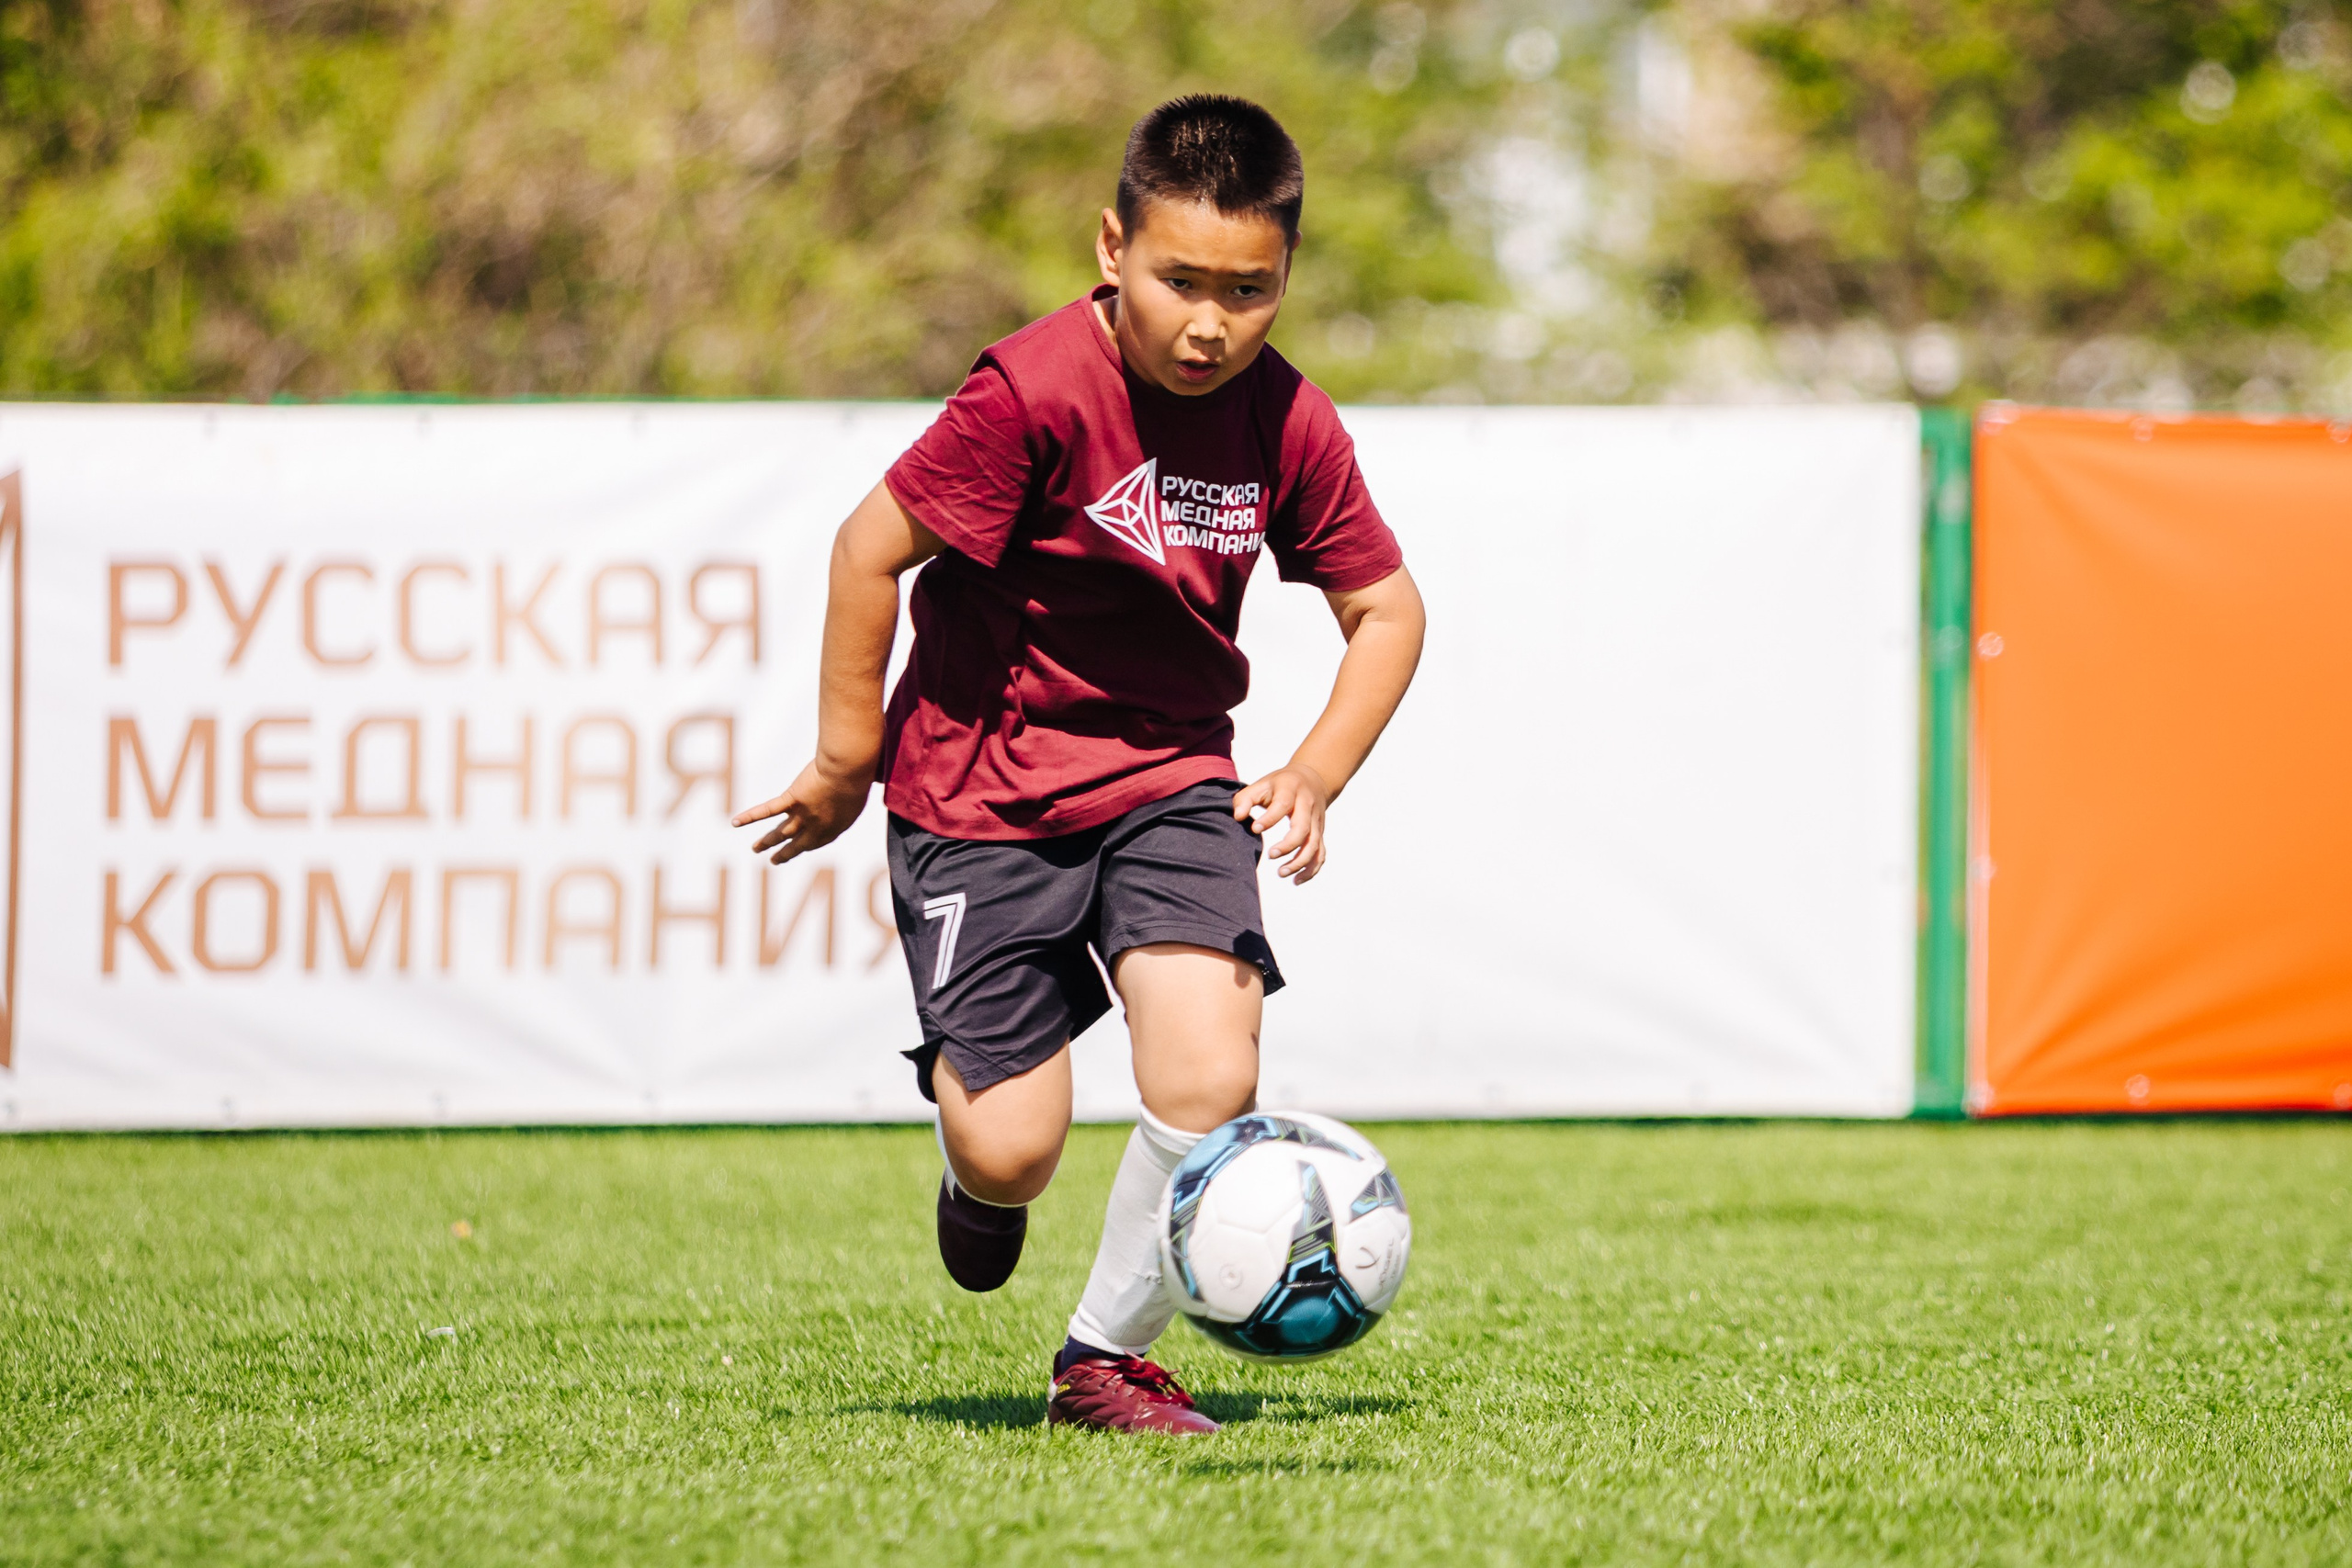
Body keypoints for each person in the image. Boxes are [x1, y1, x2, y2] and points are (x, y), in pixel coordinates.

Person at [733, 95, 1425, 1435]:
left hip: (1172, 784)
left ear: (1288, 279)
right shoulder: (1031, 392)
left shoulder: (1287, 423)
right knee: (1013, 1147)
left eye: (1249, 290)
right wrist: (841, 761)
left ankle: (1101, 1359)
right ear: (1113, 248)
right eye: (1179, 282)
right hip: (979, 803)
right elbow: (867, 550)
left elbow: (1389, 611)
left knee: (1212, 1078)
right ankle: (976, 1180)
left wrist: (1317, 770)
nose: (1210, 323)